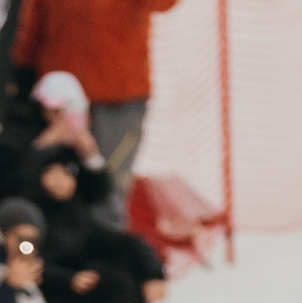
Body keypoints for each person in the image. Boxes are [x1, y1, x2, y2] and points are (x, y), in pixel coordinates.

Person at [29, 144, 170, 303]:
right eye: (51, 173)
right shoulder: (31, 214)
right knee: (116, 283)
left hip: (79, 295)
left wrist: (152, 274)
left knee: (127, 267)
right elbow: (26, 260)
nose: (58, 181)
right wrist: (67, 279)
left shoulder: (77, 214)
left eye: (65, 174)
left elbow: (124, 242)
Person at [12, 0, 180, 199]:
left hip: (119, 98)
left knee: (109, 188)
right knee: (48, 183)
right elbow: (31, 24)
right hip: (59, 99)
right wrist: (21, 77)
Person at [0, 68, 96, 224]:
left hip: (64, 224)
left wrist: (91, 158)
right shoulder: (14, 137)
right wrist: (43, 147)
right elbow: (8, 184)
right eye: (56, 111)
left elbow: (96, 194)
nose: (62, 118)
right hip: (11, 221)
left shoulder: (72, 146)